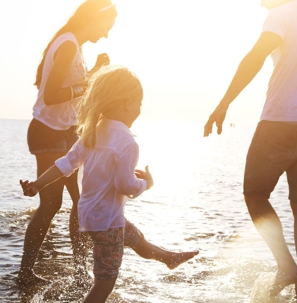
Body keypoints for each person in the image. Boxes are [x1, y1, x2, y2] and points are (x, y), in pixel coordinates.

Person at [20, 66, 199, 302]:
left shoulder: (93, 132)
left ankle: (168, 258)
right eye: (139, 104)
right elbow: (126, 185)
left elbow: (65, 165)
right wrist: (147, 185)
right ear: (126, 104)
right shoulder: (127, 142)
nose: (139, 110)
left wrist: (37, 184)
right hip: (108, 224)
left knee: (136, 238)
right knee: (104, 284)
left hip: (90, 216)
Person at [204, 0, 297, 298]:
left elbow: (256, 56)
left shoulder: (280, 15)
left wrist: (224, 103)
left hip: (283, 119)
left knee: (255, 195)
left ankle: (286, 267)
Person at [18, 0, 118, 285]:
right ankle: (25, 275)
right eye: (107, 27)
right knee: (51, 204)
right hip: (48, 131)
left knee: (81, 200)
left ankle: (80, 272)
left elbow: (68, 89)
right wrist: (88, 82)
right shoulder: (68, 44)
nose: (107, 34)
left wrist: (93, 73)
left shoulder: (74, 45)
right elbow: (50, 95)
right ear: (95, 18)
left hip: (66, 131)